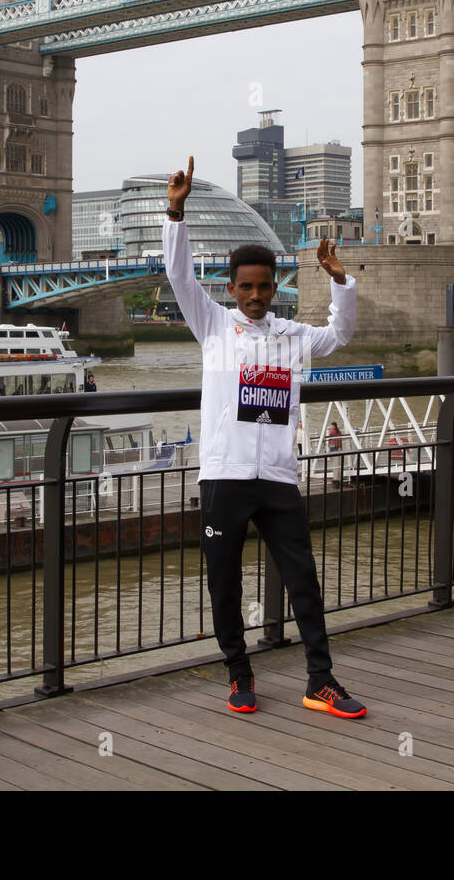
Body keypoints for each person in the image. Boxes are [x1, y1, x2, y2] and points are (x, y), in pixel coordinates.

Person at [163, 156, 366, 720]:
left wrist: (339, 279)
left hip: (278, 477)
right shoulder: (211, 326)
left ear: (275, 286)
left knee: (303, 578)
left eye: (264, 286)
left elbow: (341, 333)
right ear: (230, 289)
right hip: (225, 477)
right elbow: (179, 276)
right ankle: (238, 673)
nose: (256, 295)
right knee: (223, 581)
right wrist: (176, 211)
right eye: (246, 287)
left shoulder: (293, 336)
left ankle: (320, 681)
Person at [327, 420, 344, 488]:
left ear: (333, 426)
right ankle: (331, 458)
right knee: (336, 459)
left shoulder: (331, 431)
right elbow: (340, 440)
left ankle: (329, 457)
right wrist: (341, 447)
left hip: (332, 445)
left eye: (331, 425)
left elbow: (329, 438)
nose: (331, 426)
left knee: (332, 457)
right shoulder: (339, 432)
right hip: (337, 446)